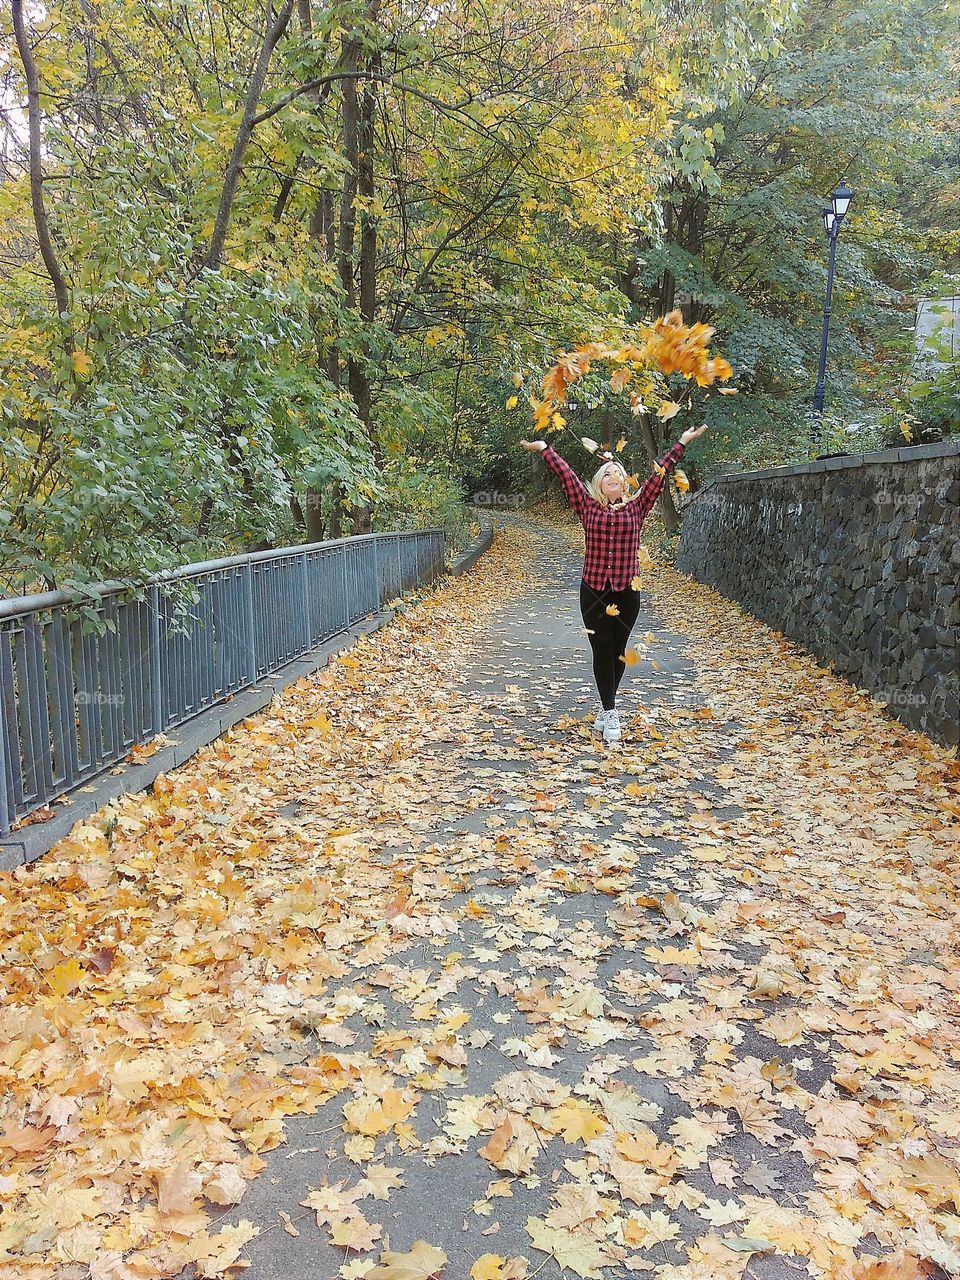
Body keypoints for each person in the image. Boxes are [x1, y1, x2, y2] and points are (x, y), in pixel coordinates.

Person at [520, 424, 708, 743]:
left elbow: (660, 474)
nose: (613, 478)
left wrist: (681, 442)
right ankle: (610, 711)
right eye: (606, 474)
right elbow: (566, 476)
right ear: (598, 483)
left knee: (618, 650)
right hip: (593, 590)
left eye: (617, 474)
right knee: (600, 649)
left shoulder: (638, 507)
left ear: (624, 483)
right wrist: (545, 449)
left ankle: (607, 707)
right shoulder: (586, 506)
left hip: (626, 591)